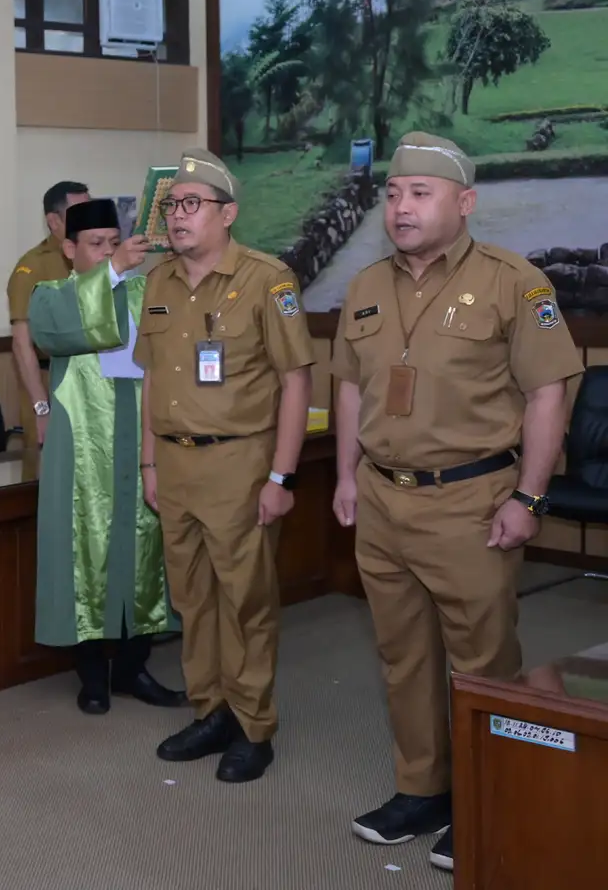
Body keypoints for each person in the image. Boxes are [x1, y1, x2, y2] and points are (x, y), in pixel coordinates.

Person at [332, 132, 582, 874]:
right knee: (402, 655)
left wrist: (530, 496)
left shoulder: (515, 282)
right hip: (381, 498)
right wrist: (345, 476)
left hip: (471, 500)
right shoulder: (368, 286)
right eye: (392, 193)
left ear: (464, 203)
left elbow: (548, 393)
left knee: (482, 661)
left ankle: (487, 791)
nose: (400, 207)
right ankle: (422, 789)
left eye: (420, 193)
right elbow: (349, 385)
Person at [134, 148, 313, 784]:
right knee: (193, 599)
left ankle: (252, 725)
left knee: (246, 601)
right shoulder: (157, 283)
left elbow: (296, 381)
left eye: (192, 205)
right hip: (175, 467)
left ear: (227, 213)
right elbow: (152, 378)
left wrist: (282, 477)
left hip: (241, 463)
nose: (178, 216)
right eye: (172, 205)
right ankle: (210, 709)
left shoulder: (268, 280)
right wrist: (149, 464)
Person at [27, 198, 187, 715]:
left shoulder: (148, 291)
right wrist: (113, 272)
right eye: (96, 245)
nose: (109, 253)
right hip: (83, 448)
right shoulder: (50, 296)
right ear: (69, 249)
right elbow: (56, 334)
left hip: (142, 440)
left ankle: (135, 668)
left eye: (115, 244)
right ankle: (93, 676)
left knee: (144, 552)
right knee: (86, 557)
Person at [8, 181, 90, 473]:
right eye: (80, 211)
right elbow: (22, 344)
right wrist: (41, 407)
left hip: (90, 385)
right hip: (48, 384)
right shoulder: (32, 267)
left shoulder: (95, 257)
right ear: (54, 221)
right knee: (47, 479)